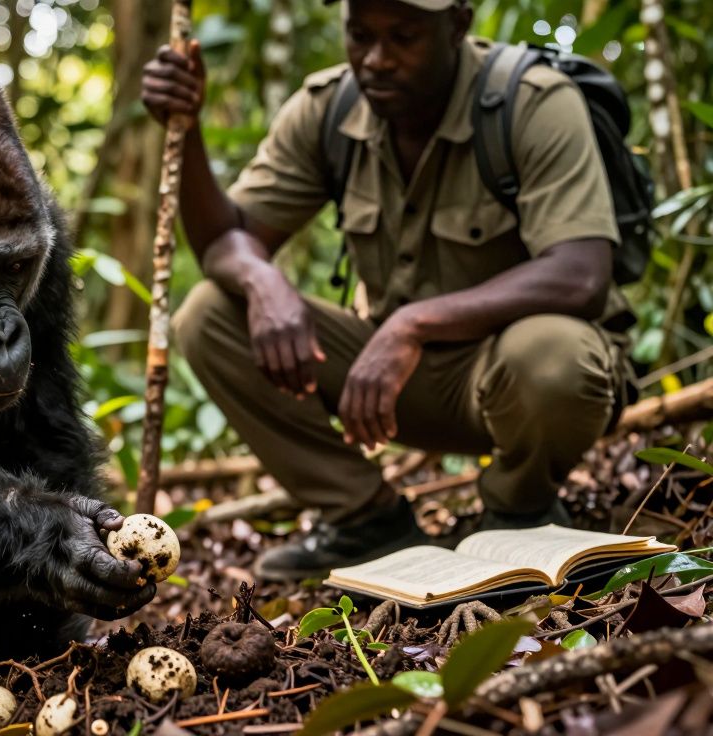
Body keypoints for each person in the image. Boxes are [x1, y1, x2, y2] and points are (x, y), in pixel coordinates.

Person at [141, 0, 632, 581]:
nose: (377, 59)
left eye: (403, 36)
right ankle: (365, 521)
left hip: (516, 380)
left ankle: (520, 510)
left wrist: (412, 323)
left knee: (554, 354)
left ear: (457, 25)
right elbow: (229, 239)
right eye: (360, 35)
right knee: (210, 313)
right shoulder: (330, 108)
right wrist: (261, 274)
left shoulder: (533, 101)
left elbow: (581, 273)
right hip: (400, 384)